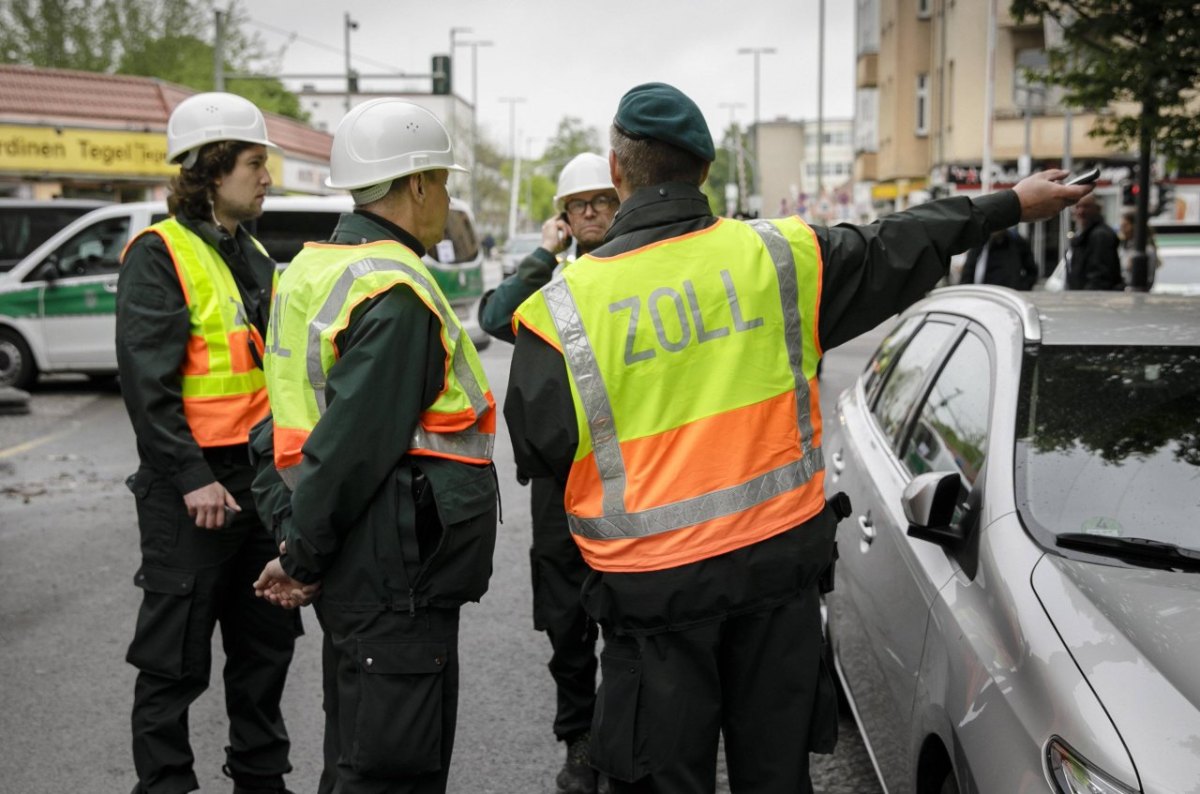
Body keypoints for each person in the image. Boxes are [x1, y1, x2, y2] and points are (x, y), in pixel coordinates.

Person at [503, 81, 1093, 794]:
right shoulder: (782, 256)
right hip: (775, 586)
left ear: (617, 170)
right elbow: (900, 243)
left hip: (651, 605)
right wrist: (1009, 204)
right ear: (705, 171)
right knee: (775, 780)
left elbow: (540, 449)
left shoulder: (560, 309)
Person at [250, 97, 498, 794]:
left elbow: (278, 424)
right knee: (388, 770)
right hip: (394, 569)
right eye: (444, 183)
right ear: (416, 184)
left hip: (363, 558)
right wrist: (301, 556)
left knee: (361, 749)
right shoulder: (393, 288)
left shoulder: (310, 268)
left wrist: (299, 545)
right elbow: (353, 449)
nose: (446, 200)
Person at [117, 91, 302, 794]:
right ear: (212, 166)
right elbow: (148, 385)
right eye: (256, 163)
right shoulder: (159, 253)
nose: (267, 177)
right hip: (193, 490)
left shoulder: (249, 251)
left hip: (260, 484)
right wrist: (193, 476)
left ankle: (262, 779)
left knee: (265, 650)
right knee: (174, 659)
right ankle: (165, 785)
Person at [479, 151, 619, 794]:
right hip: (560, 481)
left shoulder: (637, 271)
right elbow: (490, 316)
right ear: (562, 217)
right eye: (577, 205)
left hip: (631, 473)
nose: (590, 213)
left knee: (626, 614)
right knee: (566, 619)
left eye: (601, 202)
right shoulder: (549, 286)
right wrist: (543, 253)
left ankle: (622, 735)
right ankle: (580, 740)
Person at [1066, 192, 1122, 290]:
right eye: (1077, 207)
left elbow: (1100, 277)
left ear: (1098, 209)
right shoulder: (1084, 234)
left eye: (1086, 207)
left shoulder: (1100, 235)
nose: (1081, 211)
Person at [960, 227, 1039, 290]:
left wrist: (1022, 286)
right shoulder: (980, 244)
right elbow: (968, 272)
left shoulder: (1017, 242)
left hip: (1010, 294)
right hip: (986, 294)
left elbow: (1032, 271)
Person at [1118, 207, 1158, 289]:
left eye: (1125, 226)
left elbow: (1149, 279)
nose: (1122, 230)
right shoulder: (1123, 247)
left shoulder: (1147, 250)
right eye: (1121, 226)